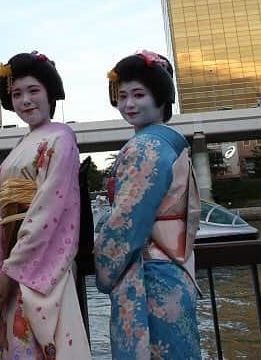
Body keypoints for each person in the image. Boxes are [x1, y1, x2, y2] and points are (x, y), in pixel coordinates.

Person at [94, 51, 202, 359]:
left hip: (149, 275)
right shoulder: (166, 144)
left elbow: (128, 221)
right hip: (174, 269)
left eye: (139, 94)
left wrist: (103, 267)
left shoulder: (146, 147)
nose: (128, 104)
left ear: (160, 97)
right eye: (122, 95)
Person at [0, 51, 91, 359]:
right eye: (17, 94)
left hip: (33, 265)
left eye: (34, 91)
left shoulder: (61, 137)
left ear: (50, 93)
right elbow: (0, 215)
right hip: (12, 258)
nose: (25, 100)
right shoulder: (21, 144)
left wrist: (11, 270)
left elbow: (48, 210)